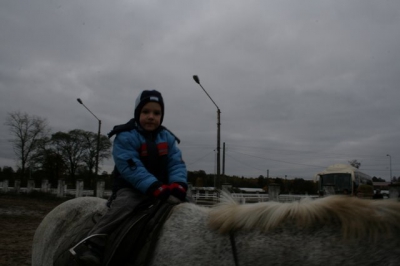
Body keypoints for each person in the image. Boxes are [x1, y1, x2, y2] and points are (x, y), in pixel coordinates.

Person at [76, 90, 188, 265]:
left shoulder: (167, 137)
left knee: (189, 202)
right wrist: (154, 187)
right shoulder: (126, 135)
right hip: (132, 188)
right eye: (145, 112)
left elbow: (176, 163)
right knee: (124, 205)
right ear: (137, 113)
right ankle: (95, 243)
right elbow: (131, 167)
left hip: (163, 188)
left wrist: (178, 184)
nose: (151, 116)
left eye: (156, 113)